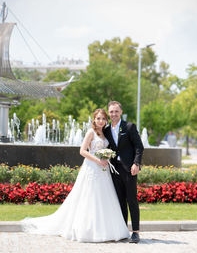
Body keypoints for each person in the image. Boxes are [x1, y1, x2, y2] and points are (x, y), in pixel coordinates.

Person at [22, 109, 130, 242]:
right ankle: (87, 230)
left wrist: (106, 158)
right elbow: (82, 151)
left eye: (103, 118)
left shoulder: (104, 132)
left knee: (104, 197)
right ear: (94, 120)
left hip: (103, 170)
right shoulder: (91, 132)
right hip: (92, 167)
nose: (101, 121)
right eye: (98, 118)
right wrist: (98, 160)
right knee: (90, 196)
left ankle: (108, 230)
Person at [104, 101, 144, 243]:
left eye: (116, 111)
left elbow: (139, 147)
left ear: (121, 112)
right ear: (108, 113)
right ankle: (123, 231)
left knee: (131, 200)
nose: (113, 114)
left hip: (129, 169)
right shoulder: (106, 130)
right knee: (120, 201)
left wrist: (136, 163)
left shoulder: (129, 127)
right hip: (114, 170)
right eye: (111, 112)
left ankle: (136, 232)